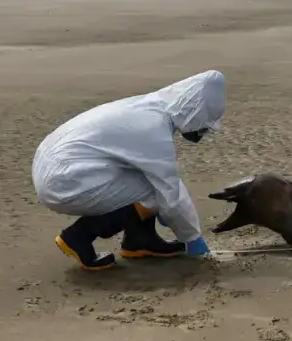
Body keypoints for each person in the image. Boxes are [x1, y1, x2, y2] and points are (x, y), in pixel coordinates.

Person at [31, 70, 225, 270]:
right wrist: (192, 238)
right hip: (63, 181)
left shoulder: (148, 107)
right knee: (157, 190)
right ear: (194, 112)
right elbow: (171, 194)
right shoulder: (154, 129)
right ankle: (78, 236)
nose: (203, 132)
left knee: (146, 177)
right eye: (205, 124)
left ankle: (140, 241)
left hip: (58, 167)